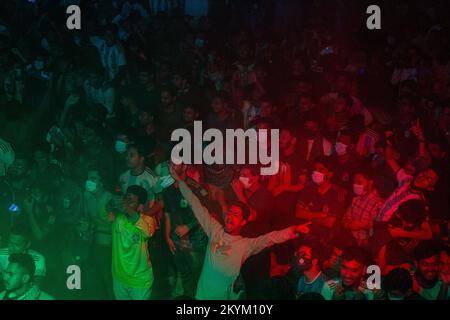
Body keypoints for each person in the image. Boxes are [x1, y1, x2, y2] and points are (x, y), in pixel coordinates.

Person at [169, 163, 311, 300]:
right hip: (201, 297)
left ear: (243, 222)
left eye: (236, 215)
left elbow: (270, 238)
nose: (230, 216)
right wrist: (180, 181)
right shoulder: (215, 230)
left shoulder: (246, 245)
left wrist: (293, 230)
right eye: (230, 213)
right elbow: (195, 203)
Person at [163, 164, 207, 298]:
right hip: (176, 240)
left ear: (185, 166)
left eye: (175, 163)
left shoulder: (195, 188)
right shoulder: (169, 189)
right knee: (184, 274)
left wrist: (188, 227)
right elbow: (168, 214)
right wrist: (167, 236)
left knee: (198, 276)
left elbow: (205, 215)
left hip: (195, 240)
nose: (171, 166)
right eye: (170, 162)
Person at [231, 164, 275, 299]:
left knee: (258, 289)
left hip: (259, 250)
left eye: (245, 175)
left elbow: (250, 216)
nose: (240, 178)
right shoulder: (246, 194)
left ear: (255, 178)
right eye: (240, 174)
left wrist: (238, 192)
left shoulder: (265, 195)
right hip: (245, 248)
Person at [110, 185, 156, 300]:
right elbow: (106, 210)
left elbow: (146, 232)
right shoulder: (117, 218)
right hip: (119, 278)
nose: (126, 202)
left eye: (131, 201)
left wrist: (126, 207)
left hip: (140, 281)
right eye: (126, 198)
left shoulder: (148, 220)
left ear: (140, 206)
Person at [296, 156, 347, 244]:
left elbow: (329, 222)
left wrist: (307, 214)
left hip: (326, 240)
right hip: (305, 236)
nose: (316, 172)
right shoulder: (308, 188)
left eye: (321, 170)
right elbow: (298, 213)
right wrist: (319, 214)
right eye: (315, 169)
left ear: (330, 174)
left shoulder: (338, 193)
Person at [341, 168, 383, 248]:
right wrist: (349, 225)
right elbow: (344, 220)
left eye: (359, 182)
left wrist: (363, 226)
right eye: (354, 182)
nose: (355, 185)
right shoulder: (356, 198)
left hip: (361, 247)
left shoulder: (378, 204)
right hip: (347, 240)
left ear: (370, 183)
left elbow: (376, 233)